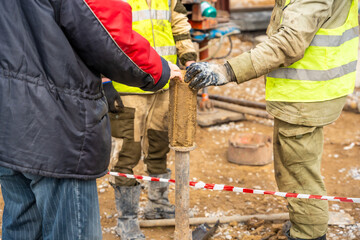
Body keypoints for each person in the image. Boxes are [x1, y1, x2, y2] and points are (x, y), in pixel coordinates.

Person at [0, 0, 182, 239]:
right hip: (57, 129)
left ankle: (157, 203)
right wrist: (159, 69)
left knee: (22, 223)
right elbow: (106, 31)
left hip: (8, 121)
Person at [185, 0, 358, 239]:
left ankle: (308, 234)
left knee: (298, 173)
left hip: (306, 93)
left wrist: (226, 71)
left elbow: (289, 42)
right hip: (309, 90)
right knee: (293, 166)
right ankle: (303, 223)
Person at [103, 0, 197, 239]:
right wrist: (104, 80)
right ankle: (127, 219)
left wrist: (188, 59)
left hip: (164, 82)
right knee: (127, 153)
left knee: (159, 145)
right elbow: (98, 31)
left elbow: (178, 22)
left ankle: (158, 205)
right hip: (128, 86)